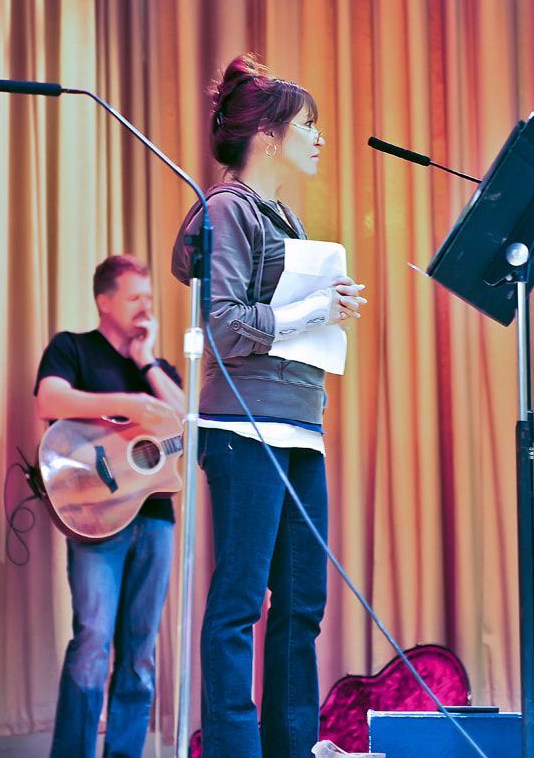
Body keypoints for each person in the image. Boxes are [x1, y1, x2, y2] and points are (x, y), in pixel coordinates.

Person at [172, 54, 367, 758]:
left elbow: (272, 319)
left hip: (299, 429)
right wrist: (313, 307)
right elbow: (222, 323)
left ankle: (292, 746)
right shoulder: (227, 208)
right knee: (239, 605)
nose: (319, 138)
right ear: (270, 135)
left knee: (301, 607)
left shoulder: (287, 216)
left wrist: (323, 315)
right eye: (308, 125)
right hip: (242, 429)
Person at [34, 254, 186, 758]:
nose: (147, 305)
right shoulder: (72, 348)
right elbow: (50, 401)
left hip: (155, 522)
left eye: (149, 296)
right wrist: (127, 402)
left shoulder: (156, 368)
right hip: (96, 522)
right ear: (104, 301)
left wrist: (146, 364)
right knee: (92, 644)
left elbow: (185, 423)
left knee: (140, 655)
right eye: (134, 297)